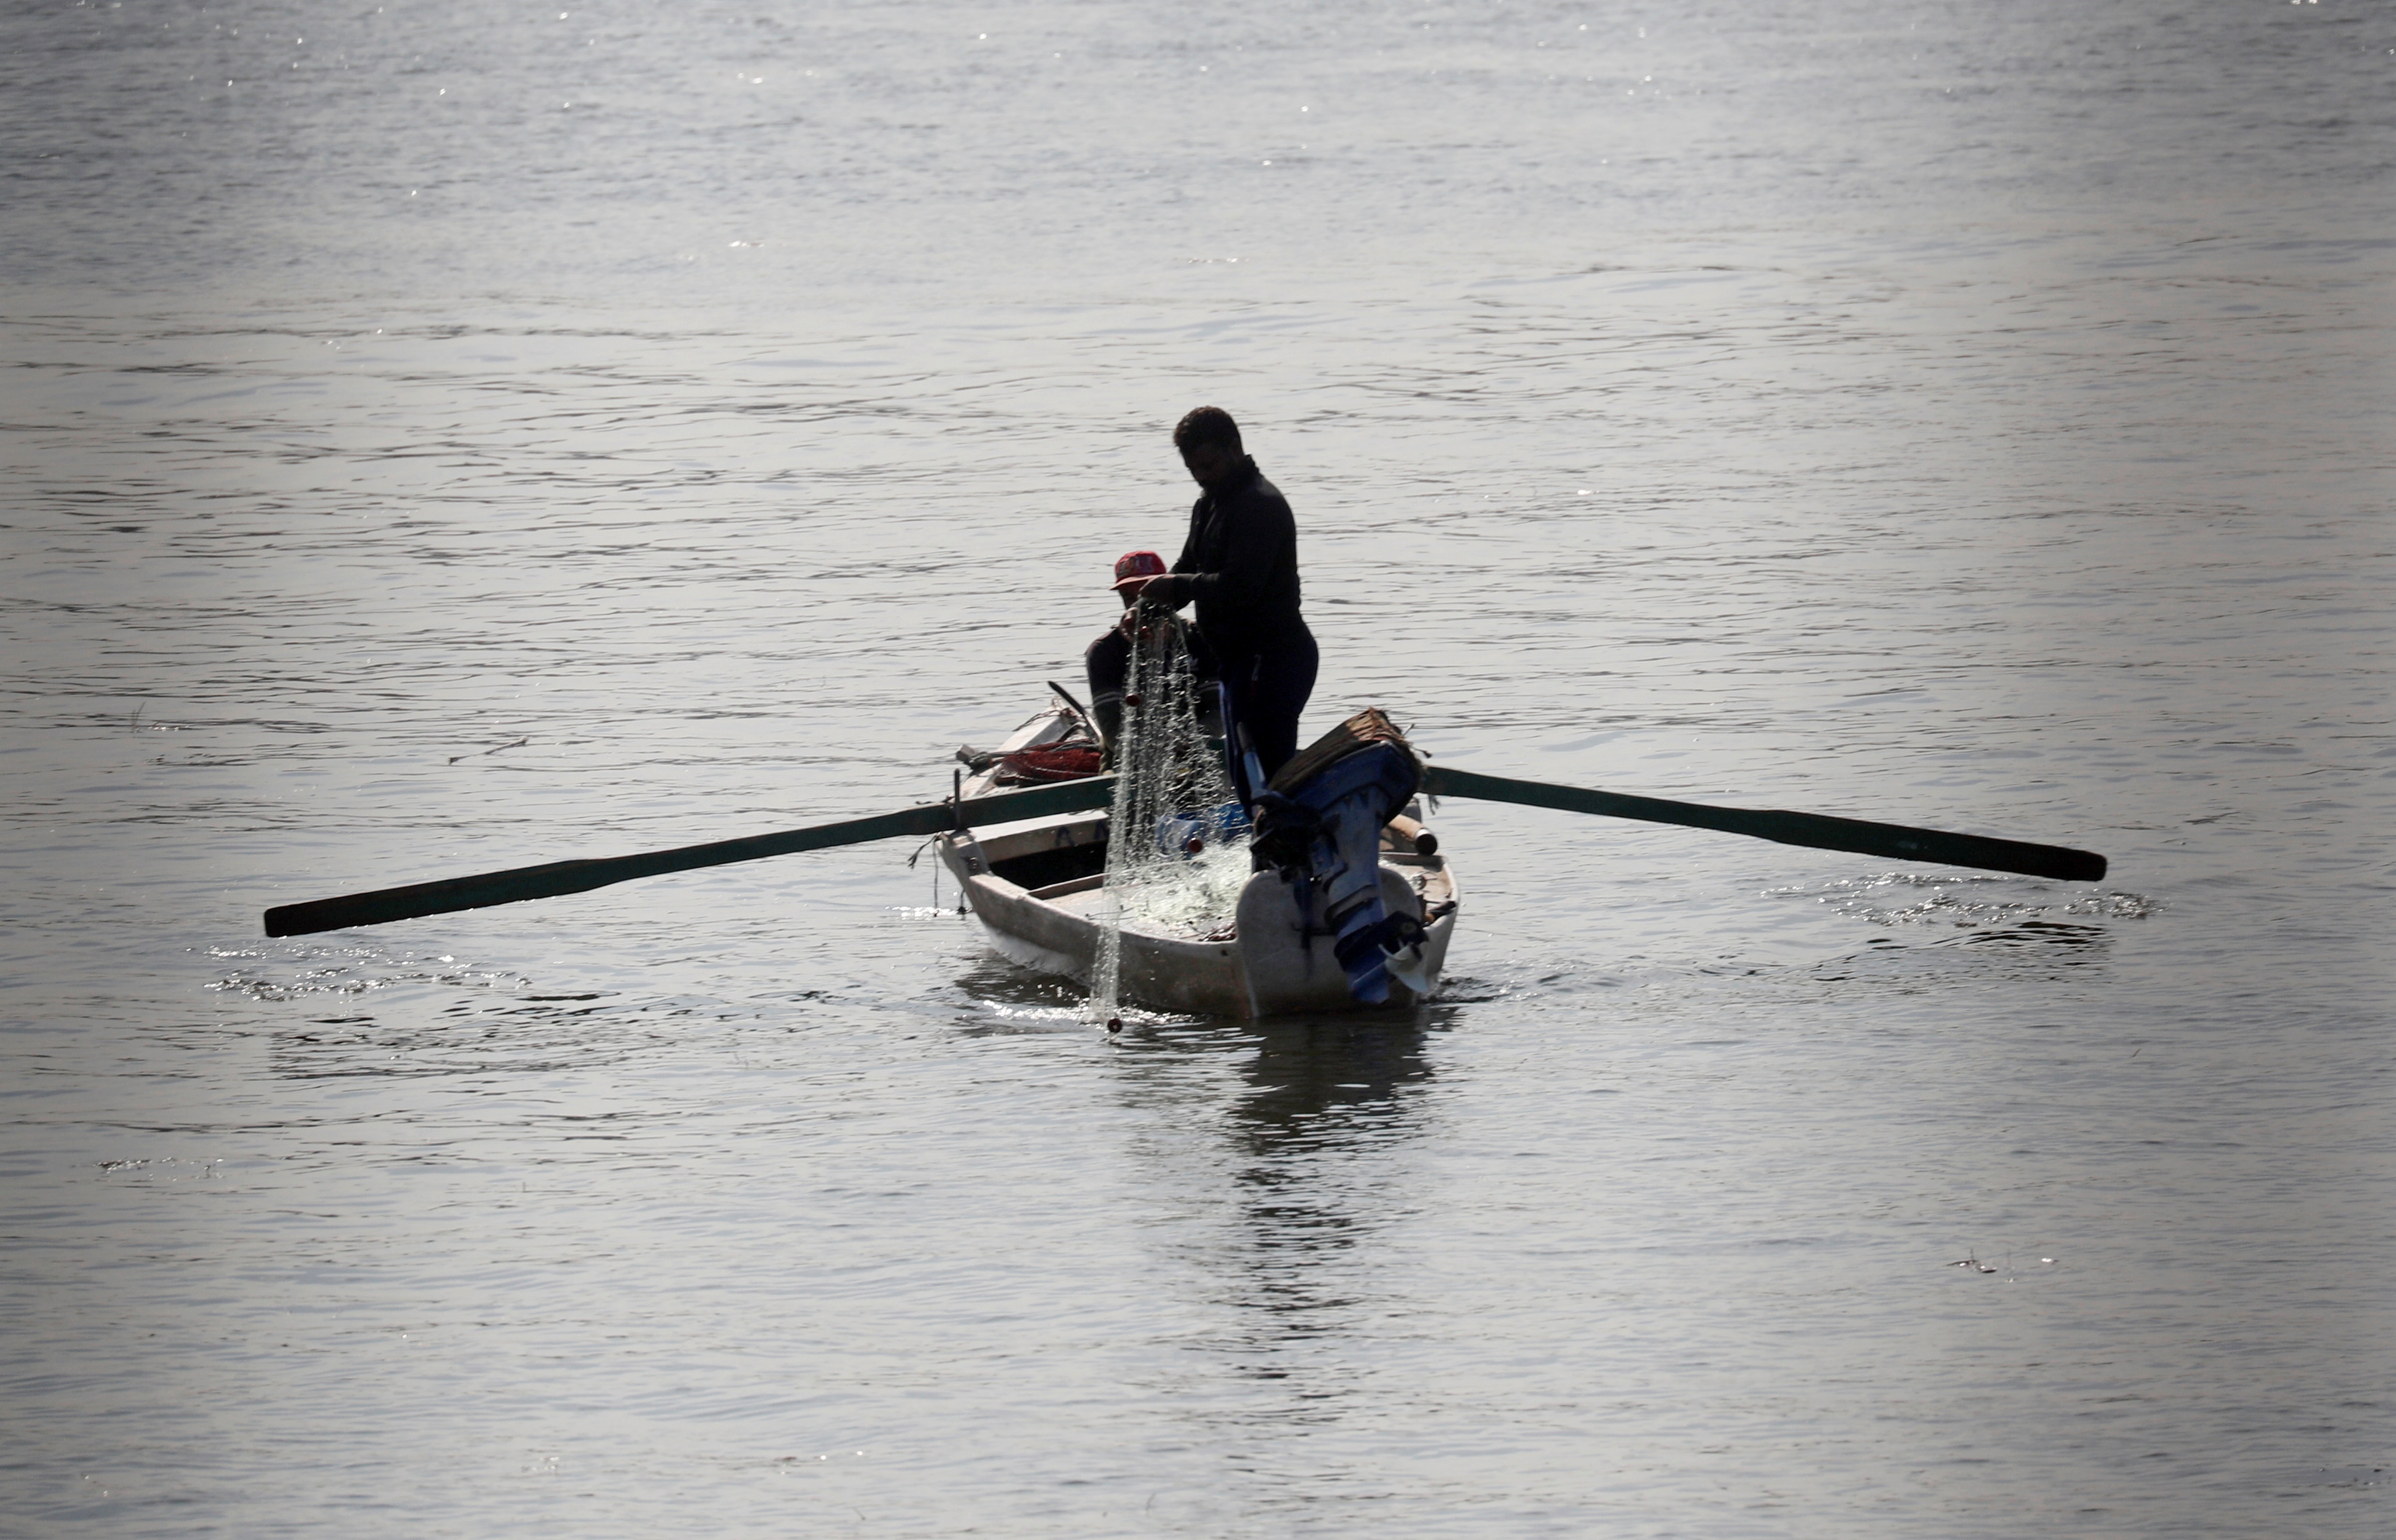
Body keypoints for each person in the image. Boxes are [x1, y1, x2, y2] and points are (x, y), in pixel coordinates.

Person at [1132, 407, 1318, 803]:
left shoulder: (1260, 505)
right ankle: (1270, 857)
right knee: (1246, 784)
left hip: (1275, 661)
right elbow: (1188, 567)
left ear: (1235, 449)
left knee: (1268, 781)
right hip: (1237, 664)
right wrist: (1149, 603)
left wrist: (1177, 584)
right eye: (1193, 468)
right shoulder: (1209, 504)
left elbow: (1241, 588)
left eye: (1209, 465)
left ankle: (1290, 857)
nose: (1201, 475)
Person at [1084, 550, 1214, 763]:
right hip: (1131, 760)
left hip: (1200, 750)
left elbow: (1217, 708)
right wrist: (1152, 753)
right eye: (1129, 597)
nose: (1139, 605)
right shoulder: (1104, 652)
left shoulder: (1199, 639)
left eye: (1145, 595)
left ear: (1165, 592)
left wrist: (1193, 743)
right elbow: (1112, 726)